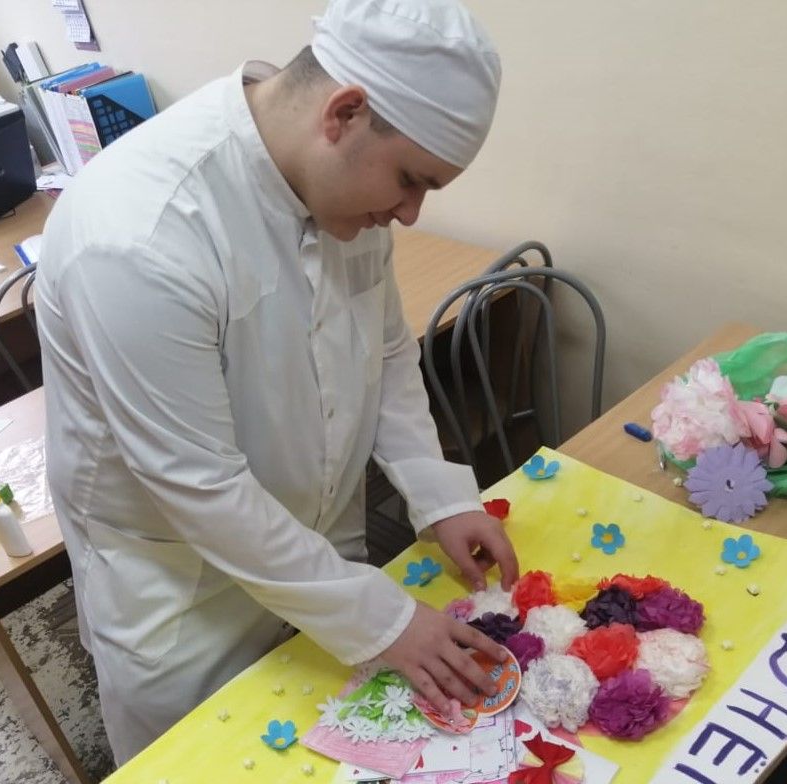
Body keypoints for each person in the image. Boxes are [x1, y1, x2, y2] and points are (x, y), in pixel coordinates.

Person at [36, 0, 519, 764]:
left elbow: (387, 352)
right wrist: (387, 621)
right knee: (223, 764)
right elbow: (200, 487)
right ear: (344, 114)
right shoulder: (141, 237)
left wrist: (440, 494)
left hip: (322, 548)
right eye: (409, 181)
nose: (409, 213)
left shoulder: (335, 187)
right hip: (188, 598)